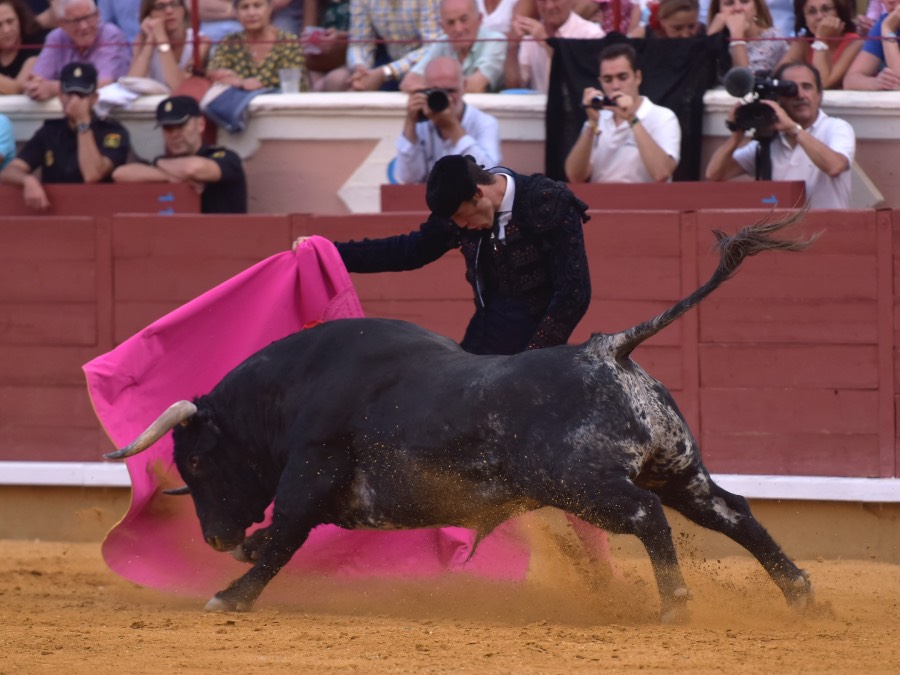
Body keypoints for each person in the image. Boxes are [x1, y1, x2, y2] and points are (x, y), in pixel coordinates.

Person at [705, 61, 855, 208]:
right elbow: (715, 174)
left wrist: (794, 129)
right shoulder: (769, 139)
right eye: (791, 90)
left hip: (828, 228)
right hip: (782, 229)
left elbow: (835, 166)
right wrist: (736, 135)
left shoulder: (836, 127)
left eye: (807, 87)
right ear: (779, 99)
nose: (800, 95)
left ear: (819, 95)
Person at [1, 62, 131, 210]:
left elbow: (92, 175)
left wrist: (83, 122)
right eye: (69, 94)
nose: (74, 101)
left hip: (97, 212)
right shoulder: (49, 131)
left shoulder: (112, 131)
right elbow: (10, 171)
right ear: (60, 95)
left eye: (81, 95)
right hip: (55, 213)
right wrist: (27, 180)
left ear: (94, 98)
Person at [565, 43, 681, 184]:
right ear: (600, 82)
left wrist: (632, 119)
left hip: (646, 201)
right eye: (608, 80)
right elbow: (575, 176)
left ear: (637, 77)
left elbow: (661, 173)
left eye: (622, 77)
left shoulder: (663, 117)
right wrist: (592, 124)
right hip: (602, 200)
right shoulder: (597, 118)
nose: (615, 86)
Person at [112, 95, 248, 213]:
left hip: (223, 239)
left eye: (181, 125)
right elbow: (120, 174)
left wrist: (159, 163)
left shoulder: (225, 156)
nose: (175, 134)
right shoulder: (167, 164)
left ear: (200, 124)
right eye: (168, 128)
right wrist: (170, 176)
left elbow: (192, 169)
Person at [394, 56, 501, 184]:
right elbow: (407, 178)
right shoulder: (421, 121)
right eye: (436, 91)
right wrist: (410, 122)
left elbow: (488, 175)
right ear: (425, 88)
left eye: (450, 91)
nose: (446, 98)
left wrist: (452, 128)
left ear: (464, 87)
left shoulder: (485, 123)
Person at [319, 0, 443, 91]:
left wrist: (386, 72)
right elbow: (360, 43)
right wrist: (360, 68)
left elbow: (433, 48)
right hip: (387, 60)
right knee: (337, 80)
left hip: (425, 65)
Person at [25, 0, 130, 101]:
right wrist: (35, 86)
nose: (83, 26)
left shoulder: (111, 35)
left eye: (87, 17)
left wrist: (53, 88)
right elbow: (37, 80)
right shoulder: (55, 38)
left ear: (97, 15)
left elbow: (102, 83)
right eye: (76, 21)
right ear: (62, 24)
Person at [401, 0, 506, 93]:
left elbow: (476, 86)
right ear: (443, 28)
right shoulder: (442, 44)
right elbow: (409, 81)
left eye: (464, 20)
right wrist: (449, 88)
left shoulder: (496, 41)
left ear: (479, 19)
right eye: (451, 23)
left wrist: (433, 88)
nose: (458, 29)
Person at [503, 0, 605, 94]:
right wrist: (512, 47)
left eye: (555, 0)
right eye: (543, 1)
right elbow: (514, 86)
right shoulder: (531, 36)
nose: (549, 6)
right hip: (538, 110)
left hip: (578, 109)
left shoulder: (591, 35)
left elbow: (580, 81)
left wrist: (546, 43)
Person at [208, 0, 308, 91]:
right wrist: (241, 82)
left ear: (269, 9)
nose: (251, 13)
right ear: (236, 13)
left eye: (257, 6)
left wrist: (241, 82)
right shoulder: (230, 42)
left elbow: (290, 80)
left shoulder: (288, 42)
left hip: (283, 106)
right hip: (242, 107)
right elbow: (214, 72)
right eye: (244, 7)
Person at [127, 0, 212, 91]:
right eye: (160, 7)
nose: (169, 11)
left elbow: (178, 86)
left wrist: (161, 37)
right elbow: (132, 83)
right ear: (149, 15)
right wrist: (151, 39)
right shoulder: (142, 40)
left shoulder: (200, 41)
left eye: (175, 4)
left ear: (183, 10)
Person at [783, 0, 861, 89]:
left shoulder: (855, 43)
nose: (819, 17)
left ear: (839, 13)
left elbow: (823, 83)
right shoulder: (802, 43)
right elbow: (779, 75)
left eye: (826, 9)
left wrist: (821, 40)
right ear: (804, 19)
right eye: (812, 12)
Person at [707, 0, 788, 73]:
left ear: (756, 8)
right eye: (729, 3)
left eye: (745, 1)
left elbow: (745, 84)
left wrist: (737, 36)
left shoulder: (772, 38)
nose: (738, 8)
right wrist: (711, 35)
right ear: (718, 11)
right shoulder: (717, 38)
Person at [843, 0, 900, 90]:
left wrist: (888, 30)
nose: (890, 1)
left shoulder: (887, 25)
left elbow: (898, 83)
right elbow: (850, 80)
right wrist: (876, 83)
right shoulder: (885, 22)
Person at [0, 0, 44, 94]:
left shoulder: (35, 45)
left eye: (10, 21)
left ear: (20, 19)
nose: (6, 30)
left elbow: (17, 89)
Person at [629, 0, 705, 38]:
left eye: (691, 26)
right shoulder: (643, 36)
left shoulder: (705, 34)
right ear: (662, 22)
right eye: (677, 28)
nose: (685, 35)